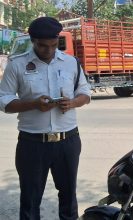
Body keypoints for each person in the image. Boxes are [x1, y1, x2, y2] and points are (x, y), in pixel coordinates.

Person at [0, 17, 91, 220]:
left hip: (68, 141)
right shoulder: (17, 64)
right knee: (30, 200)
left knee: (69, 198)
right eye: (42, 46)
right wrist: (33, 104)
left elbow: (85, 93)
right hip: (32, 144)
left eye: (53, 45)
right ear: (33, 41)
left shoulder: (71, 63)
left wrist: (73, 103)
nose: (48, 50)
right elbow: (3, 100)